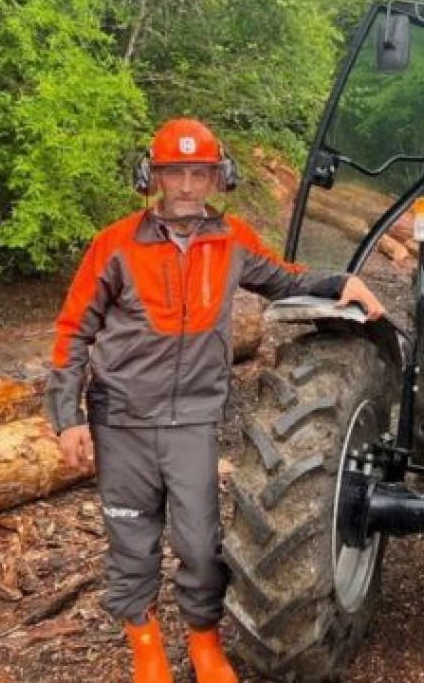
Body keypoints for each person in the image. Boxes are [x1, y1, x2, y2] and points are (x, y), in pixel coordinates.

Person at [44, 117, 386, 683]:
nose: (184, 187)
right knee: (131, 539)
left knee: (201, 544)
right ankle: (147, 649)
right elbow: (71, 331)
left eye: (197, 174)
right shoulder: (115, 245)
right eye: (173, 174)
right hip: (121, 419)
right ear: (150, 177)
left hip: (193, 420)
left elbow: (283, 278)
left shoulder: (231, 242)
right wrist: (66, 419)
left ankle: (204, 643)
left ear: (216, 177)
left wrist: (338, 284)